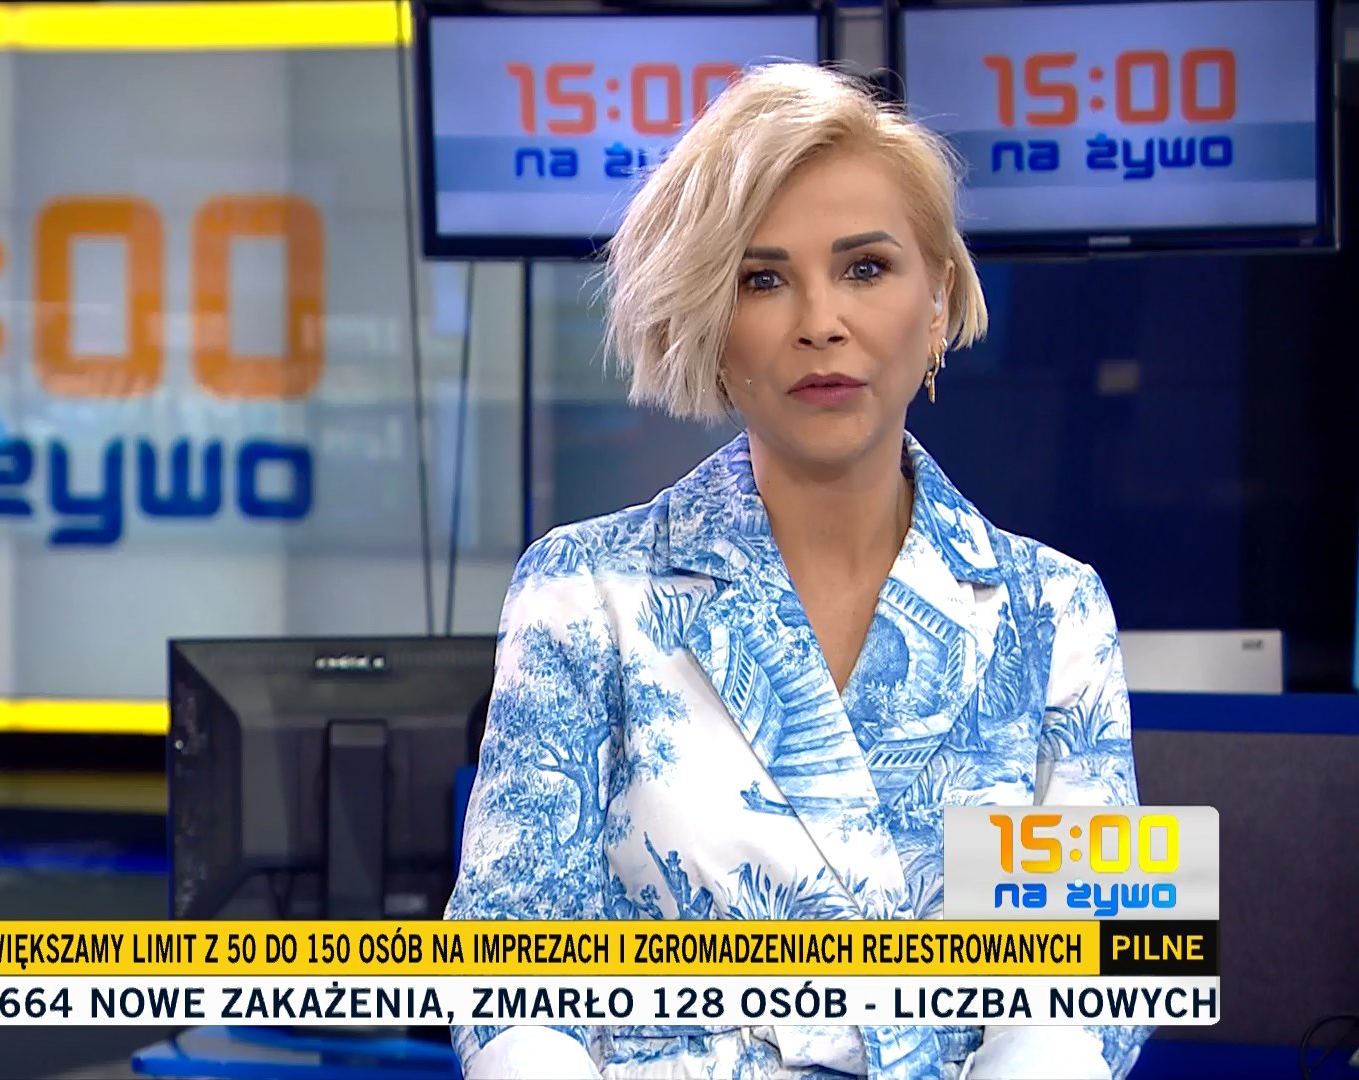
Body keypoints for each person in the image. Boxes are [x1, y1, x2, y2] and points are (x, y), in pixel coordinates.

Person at [445, 63, 1152, 1080]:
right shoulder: (585, 594)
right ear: (709, 324)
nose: (821, 320)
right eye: (763, 280)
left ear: (938, 300)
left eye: (865, 267)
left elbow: (1086, 991)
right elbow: (510, 973)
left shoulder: (1054, 610)